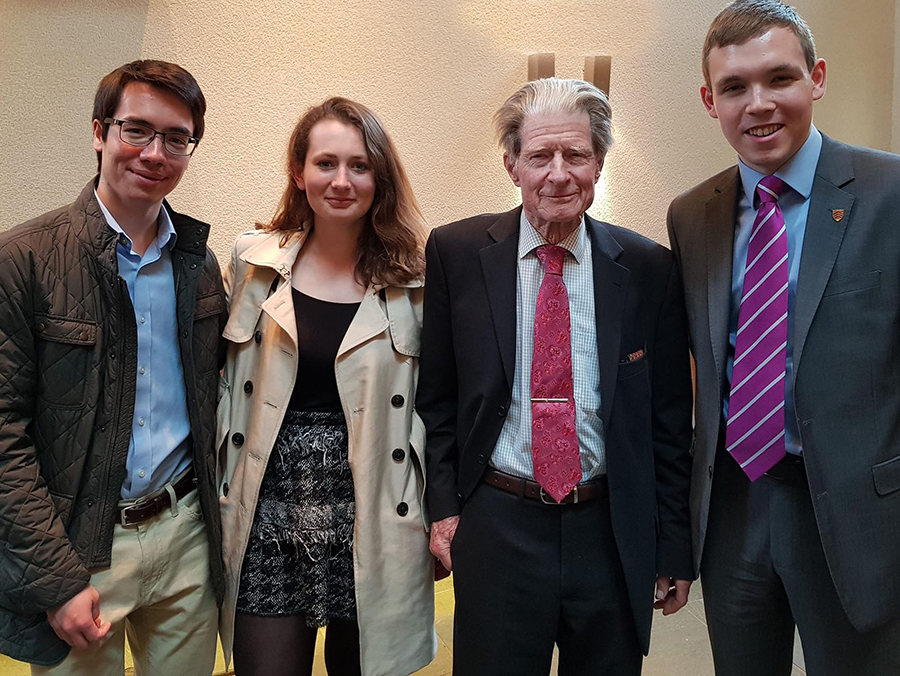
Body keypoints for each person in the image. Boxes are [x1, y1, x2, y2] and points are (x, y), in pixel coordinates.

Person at [417, 77, 694, 676]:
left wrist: (673, 545)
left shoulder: (648, 268)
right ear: (512, 164)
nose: (559, 173)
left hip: (611, 529)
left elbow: (670, 423)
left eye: (577, 154)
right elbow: (435, 400)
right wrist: (443, 509)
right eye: (540, 156)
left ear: (599, 163)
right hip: (498, 520)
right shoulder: (456, 253)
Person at [667, 1, 900, 673]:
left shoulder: (888, 193)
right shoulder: (691, 216)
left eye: (779, 78)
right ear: (710, 100)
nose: (758, 104)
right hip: (735, 509)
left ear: (816, 77)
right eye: (735, 87)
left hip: (859, 511)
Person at [0, 60, 225, 675]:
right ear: (99, 132)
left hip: (186, 540)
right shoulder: (24, 260)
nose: (155, 153)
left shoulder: (198, 266)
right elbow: (3, 434)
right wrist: (56, 579)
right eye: (137, 130)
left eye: (177, 138)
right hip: (84, 552)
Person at [217, 96, 435, 676]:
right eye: (326, 163)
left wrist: (439, 516)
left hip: (374, 507)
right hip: (266, 503)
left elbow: (438, 408)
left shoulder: (418, 278)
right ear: (299, 172)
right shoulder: (251, 261)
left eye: (360, 165)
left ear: (380, 177)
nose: (342, 181)